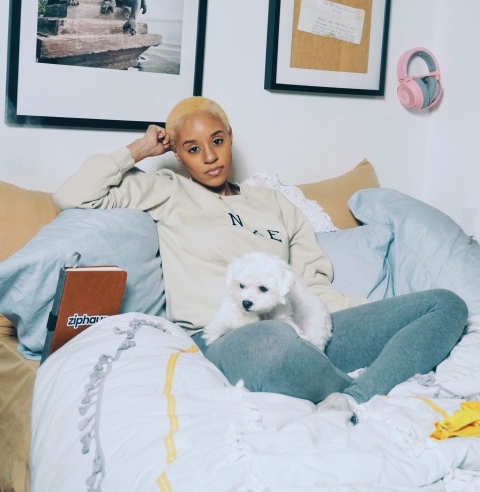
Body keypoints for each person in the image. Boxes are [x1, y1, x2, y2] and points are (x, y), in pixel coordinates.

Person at [53, 96, 468, 413]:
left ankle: (356, 397)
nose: (210, 156)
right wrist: (139, 149)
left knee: (445, 305)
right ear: (177, 154)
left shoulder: (274, 204)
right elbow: (70, 194)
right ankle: (351, 389)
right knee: (272, 342)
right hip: (232, 336)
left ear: (230, 137)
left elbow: (313, 285)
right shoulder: (167, 190)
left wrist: (376, 318)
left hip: (301, 327)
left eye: (217, 141)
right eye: (193, 149)